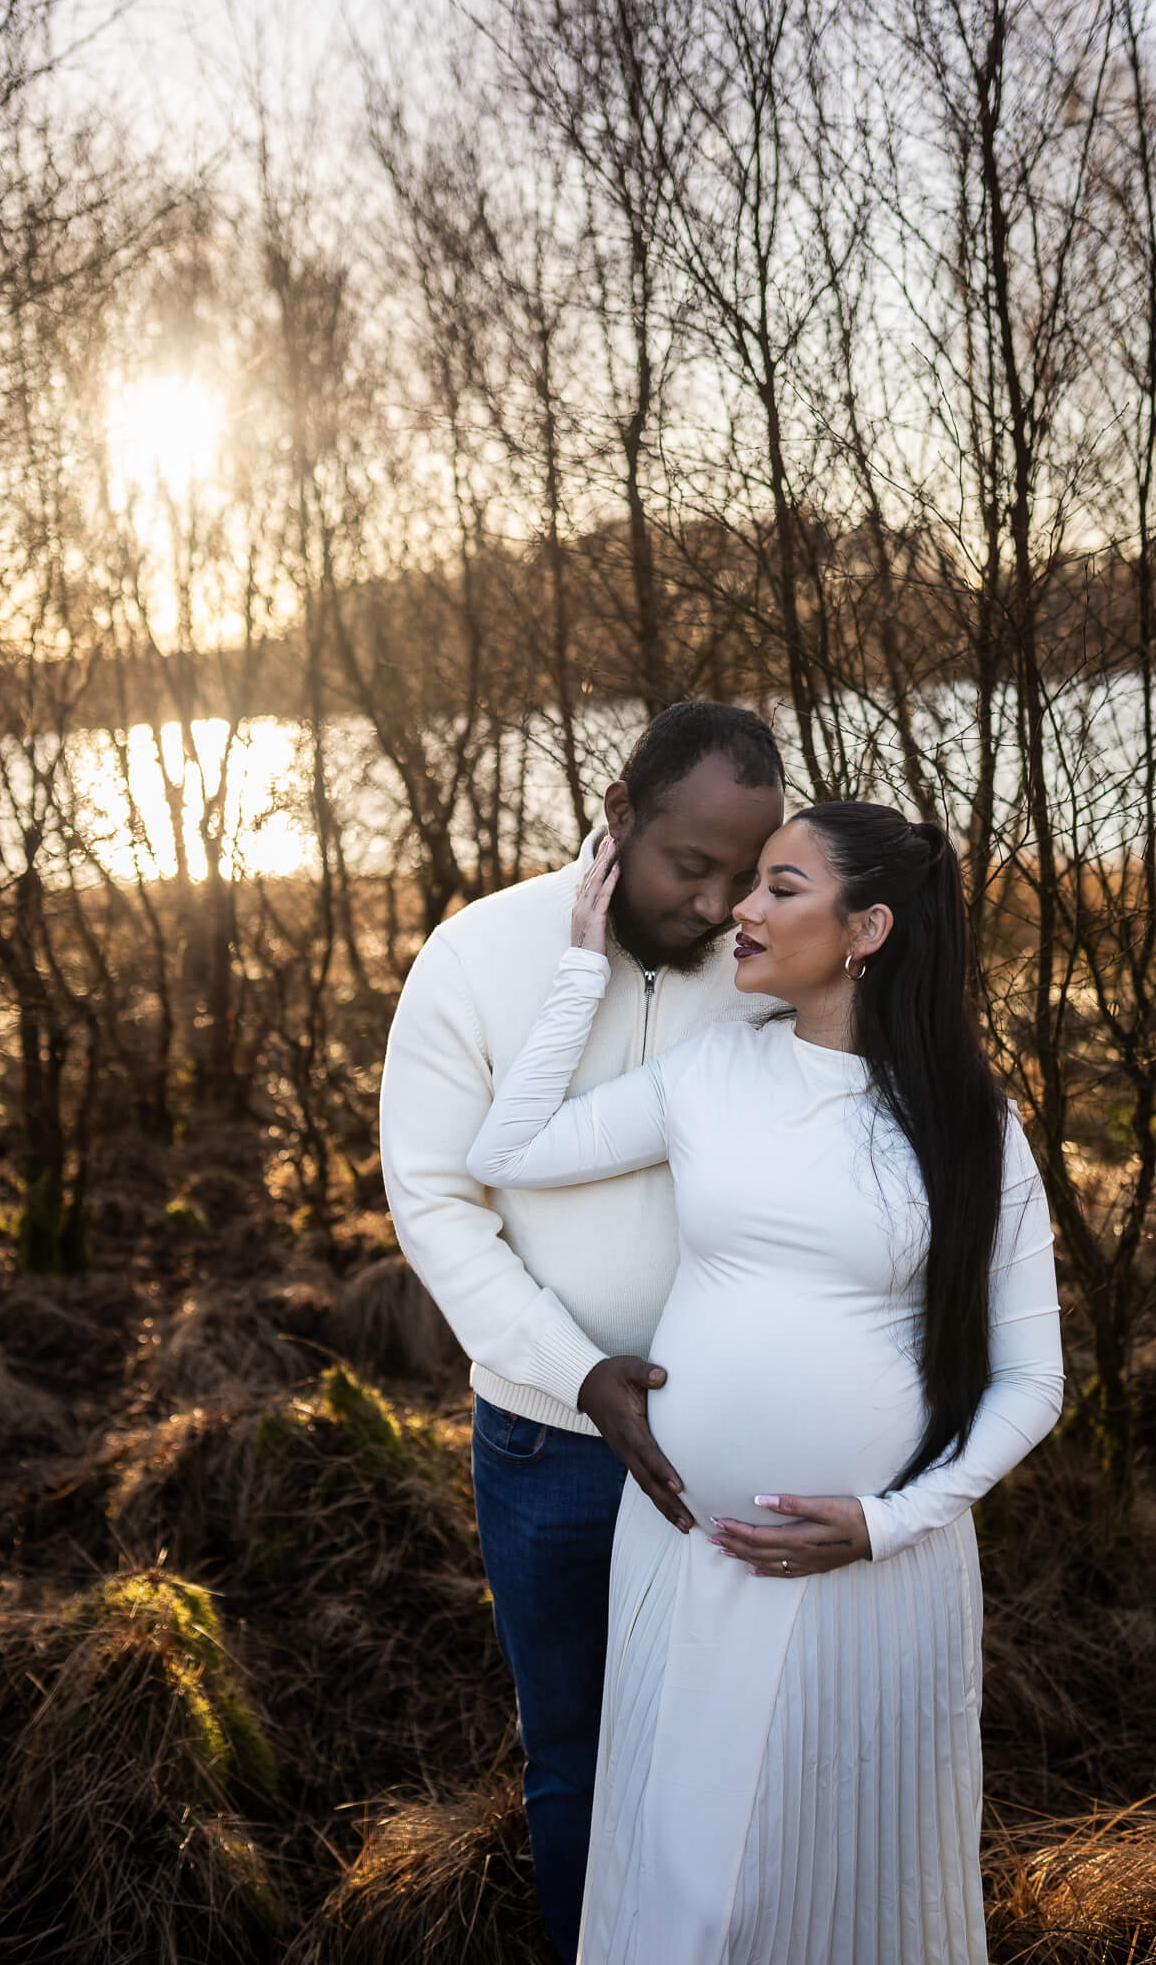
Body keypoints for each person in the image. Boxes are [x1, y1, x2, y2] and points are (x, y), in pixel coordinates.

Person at [466, 803, 1064, 1965]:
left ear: (867, 926)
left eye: (780, 886)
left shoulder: (968, 1126)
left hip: (875, 1584)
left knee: (847, 1886)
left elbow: (1033, 1379)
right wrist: (582, 969)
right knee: (687, 1894)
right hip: (687, 1552)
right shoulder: (714, 1071)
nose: (741, 907)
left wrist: (891, 1523)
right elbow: (507, 1152)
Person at [379, 703, 787, 1962]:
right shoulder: (479, 951)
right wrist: (577, 1368)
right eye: (692, 865)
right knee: (576, 1753)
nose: (722, 904)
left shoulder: (774, 976)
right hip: (546, 1447)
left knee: (733, 1751)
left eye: (747, 868)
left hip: (729, 1438)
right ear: (618, 813)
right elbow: (438, 1201)